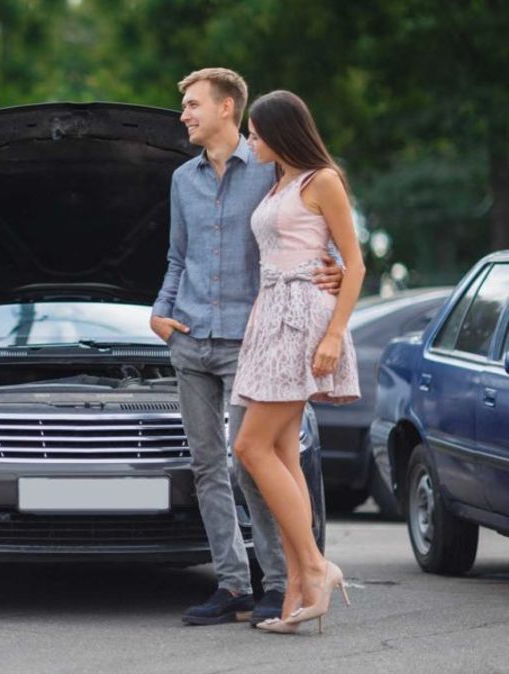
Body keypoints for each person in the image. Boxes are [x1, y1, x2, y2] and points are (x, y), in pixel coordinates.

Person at [151, 68, 343, 627]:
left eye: (192, 104)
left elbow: (309, 231)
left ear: (227, 107)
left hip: (253, 340)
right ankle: (232, 585)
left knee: (251, 463)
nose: (183, 114)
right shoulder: (181, 180)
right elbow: (176, 258)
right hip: (189, 339)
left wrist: (327, 272)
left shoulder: (268, 169)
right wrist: (161, 312)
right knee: (208, 465)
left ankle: (281, 579)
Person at [231, 89, 363, 634]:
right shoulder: (277, 182)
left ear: (282, 132)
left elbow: (353, 266)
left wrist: (333, 335)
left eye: (257, 133)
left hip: (303, 319)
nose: (251, 141)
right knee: (281, 452)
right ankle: (295, 595)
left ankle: (316, 565)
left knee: (250, 447)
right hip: (268, 318)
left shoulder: (321, 180)